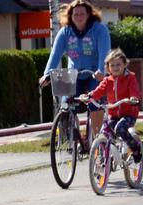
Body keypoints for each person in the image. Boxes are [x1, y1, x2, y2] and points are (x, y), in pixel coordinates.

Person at [40, 0, 111, 152]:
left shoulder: (99, 29)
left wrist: (101, 71)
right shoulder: (65, 32)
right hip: (74, 73)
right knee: (66, 106)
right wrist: (46, 75)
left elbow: (104, 52)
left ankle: (97, 141)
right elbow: (55, 54)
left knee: (95, 103)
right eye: (75, 14)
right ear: (70, 16)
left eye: (82, 13)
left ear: (88, 15)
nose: (79, 16)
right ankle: (74, 139)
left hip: (94, 73)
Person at [79, 48, 142, 163]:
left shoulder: (130, 78)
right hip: (113, 114)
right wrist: (90, 96)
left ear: (124, 64)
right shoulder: (107, 80)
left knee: (120, 128)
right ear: (108, 68)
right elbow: (98, 91)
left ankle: (135, 149)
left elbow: (134, 91)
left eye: (118, 64)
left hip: (128, 114)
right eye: (112, 65)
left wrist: (133, 98)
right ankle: (104, 160)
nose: (115, 68)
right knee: (104, 131)